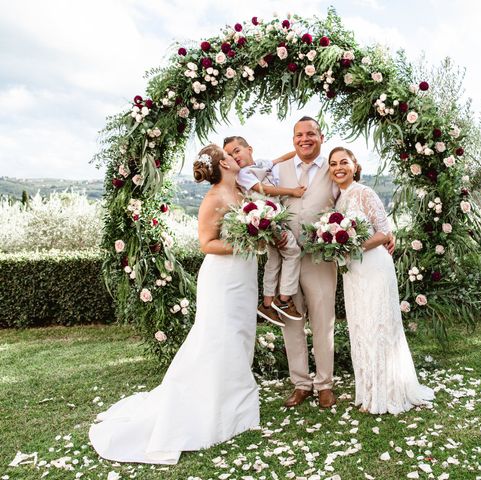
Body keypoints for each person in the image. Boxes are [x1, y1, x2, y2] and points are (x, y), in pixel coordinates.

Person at [89, 144, 259, 464]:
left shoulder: (241, 193)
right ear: (222, 164)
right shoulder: (213, 199)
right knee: (217, 338)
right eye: (229, 155)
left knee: (239, 336)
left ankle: (235, 404)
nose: (236, 158)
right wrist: (245, 241)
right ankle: (212, 405)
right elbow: (207, 244)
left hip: (244, 277)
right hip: (223, 279)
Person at [328, 146, 435, 415]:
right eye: (333, 164)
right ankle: (369, 391)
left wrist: (351, 248)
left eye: (344, 162)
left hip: (374, 267)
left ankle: (388, 393)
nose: (338, 167)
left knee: (379, 325)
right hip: (353, 273)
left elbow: (384, 233)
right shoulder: (338, 202)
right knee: (361, 327)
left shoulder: (365, 193)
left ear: (355, 165)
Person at [277, 116, 339, 408]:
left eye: (311, 133)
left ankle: (324, 383)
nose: (305, 139)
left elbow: (349, 204)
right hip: (286, 258)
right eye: (299, 134)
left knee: (323, 320)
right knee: (291, 321)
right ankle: (301, 383)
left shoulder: (335, 168)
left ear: (321, 137)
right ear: (293, 140)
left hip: (320, 258)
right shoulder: (279, 170)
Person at [223, 136, 305, 327]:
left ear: (249, 149)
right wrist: (292, 191)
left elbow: (281, 159)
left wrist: (299, 152)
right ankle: (283, 300)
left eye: (236, 151)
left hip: (271, 217)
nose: (234, 156)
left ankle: (267, 304)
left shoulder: (261, 163)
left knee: (275, 258)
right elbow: (262, 189)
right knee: (293, 252)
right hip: (268, 219)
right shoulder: (242, 173)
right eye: (228, 154)